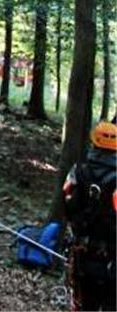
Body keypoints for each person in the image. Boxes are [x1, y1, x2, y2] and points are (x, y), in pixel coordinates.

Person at [64, 119, 116, 312]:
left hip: (84, 253)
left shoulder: (78, 172)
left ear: (94, 142)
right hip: (112, 257)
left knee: (85, 305)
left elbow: (67, 205)